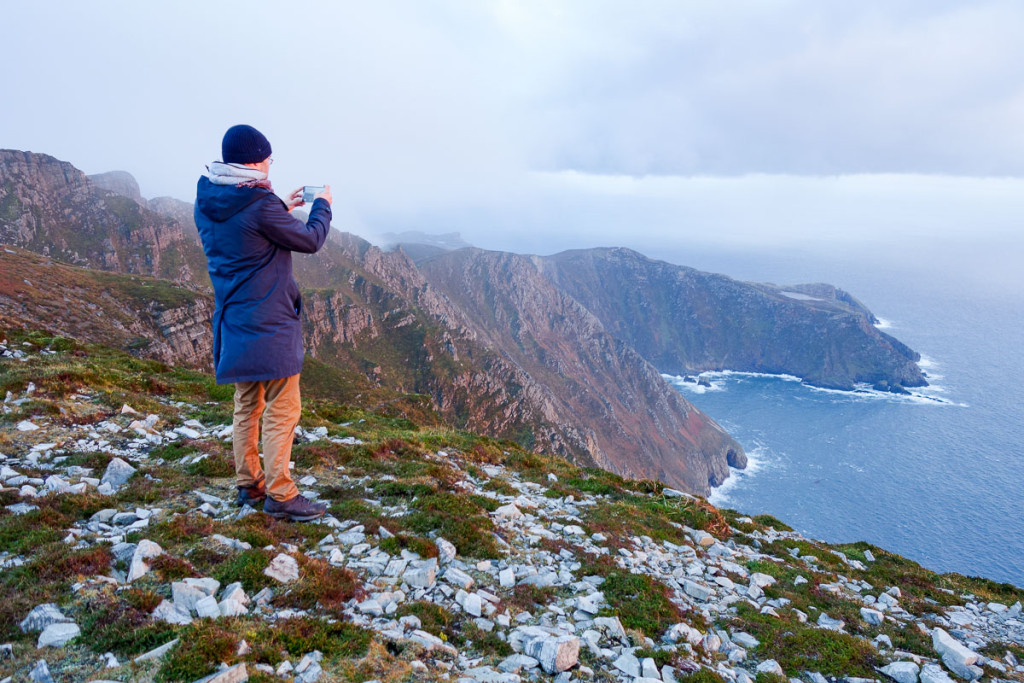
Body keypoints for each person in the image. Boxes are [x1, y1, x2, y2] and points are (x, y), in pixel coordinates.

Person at [194, 124, 332, 522]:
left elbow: (244, 237)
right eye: (269, 157)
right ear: (254, 160)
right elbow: (310, 240)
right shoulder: (258, 203)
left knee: (246, 406)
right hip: (269, 325)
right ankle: (281, 494)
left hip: (234, 322)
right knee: (282, 410)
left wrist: (279, 212)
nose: (271, 164)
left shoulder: (211, 198)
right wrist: (322, 205)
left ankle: (249, 484)